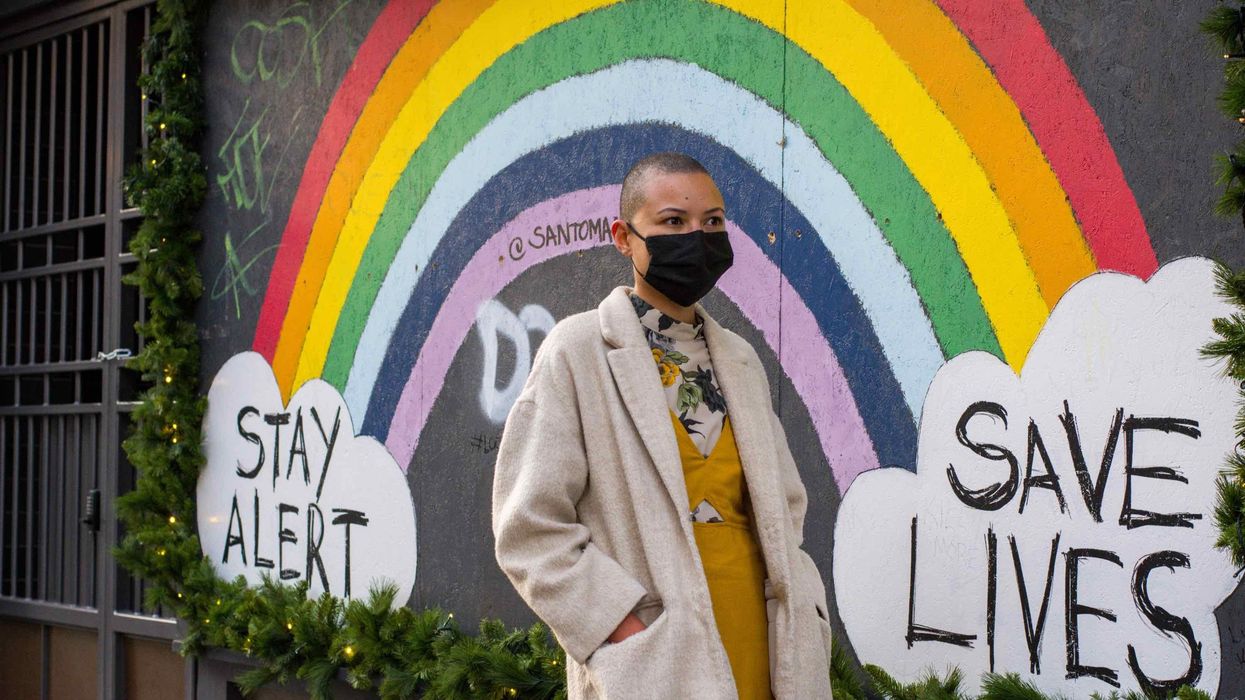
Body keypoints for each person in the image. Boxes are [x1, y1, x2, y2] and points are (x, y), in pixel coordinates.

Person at [491, 152, 832, 699]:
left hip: (766, 647)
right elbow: (529, 529)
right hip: (655, 661)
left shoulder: (740, 360)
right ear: (623, 238)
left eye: (712, 221)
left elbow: (786, 509)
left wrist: (805, 606)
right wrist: (621, 627)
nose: (696, 237)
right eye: (673, 221)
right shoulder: (578, 352)